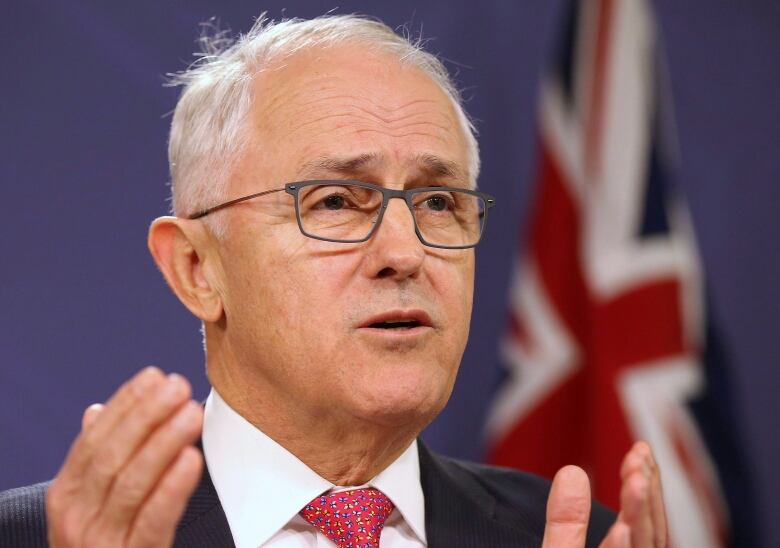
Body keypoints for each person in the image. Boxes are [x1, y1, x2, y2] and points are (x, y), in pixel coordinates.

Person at [0, 14, 666, 548]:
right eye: (336, 202)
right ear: (197, 268)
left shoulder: (577, 537)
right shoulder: (45, 539)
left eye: (437, 202)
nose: (404, 253)